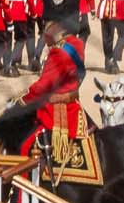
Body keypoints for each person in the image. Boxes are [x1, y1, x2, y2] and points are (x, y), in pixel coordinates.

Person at [17, 15, 87, 164]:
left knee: (24, 147)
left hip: (56, 112)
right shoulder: (77, 44)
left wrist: (20, 100)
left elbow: (42, 87)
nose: (44, 36)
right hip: (74, 106)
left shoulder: (58, 52)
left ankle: (22, 187)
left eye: (46, 31)